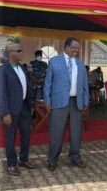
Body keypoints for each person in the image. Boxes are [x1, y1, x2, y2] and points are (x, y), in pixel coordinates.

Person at [44, 37, 89, 171]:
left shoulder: (80, 64)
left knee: (76, 132)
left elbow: (85, 84)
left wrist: (86, 101)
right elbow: (48, 83)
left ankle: (75, 157)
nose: (76, 50)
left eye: (78, 48)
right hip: (58, 102)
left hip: (77, 102)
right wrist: (47, 101)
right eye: (74, 48)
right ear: (66, 47)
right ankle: (52, 159)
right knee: (56, 132)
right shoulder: (54, 61)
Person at [0, 43, 36, 176]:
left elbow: (26, 87)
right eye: (19, 51)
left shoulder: (21, 68)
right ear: (11, 53)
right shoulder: (3, 70)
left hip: (24, 108)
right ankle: (11, 165)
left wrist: (30, 106)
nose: (21, 53)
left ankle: (23, 159)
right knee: (10, 138)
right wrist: (5, 113)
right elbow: (1, 93)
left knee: (26, 134)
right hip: (11, 111)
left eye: (21, 50)